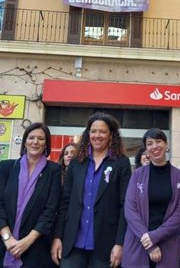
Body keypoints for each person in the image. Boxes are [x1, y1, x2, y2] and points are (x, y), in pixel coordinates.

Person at [52, 112, 132, 268]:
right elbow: (65, 202)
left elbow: (125, 206)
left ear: (111, 135)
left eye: (102, 131)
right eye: (93, 131)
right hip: (72, 242)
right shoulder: (76, 162)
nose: (97, 135)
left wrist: (120, 243)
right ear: (88, 134)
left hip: (105, 244)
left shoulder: (121, 163)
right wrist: (57, 236)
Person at [0, 122, 62, 268]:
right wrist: (8, 238)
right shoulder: (7, 167)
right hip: (2, 245)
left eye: (40, 138)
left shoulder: (54, 170)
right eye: (31, 137)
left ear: (46, 144)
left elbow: (50, 210)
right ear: (25, 141)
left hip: (36, 248)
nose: (35, 142)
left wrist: (27, 241)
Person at [123, 128, 180, 267]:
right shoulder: (137, 175)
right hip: (138, 243)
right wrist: (149, 243)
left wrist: (155, 236)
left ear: (166, 145)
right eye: (149, 143)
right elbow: (130, 210)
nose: (154, 146)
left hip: (167, 245)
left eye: (158, 141)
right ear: (146, 149)